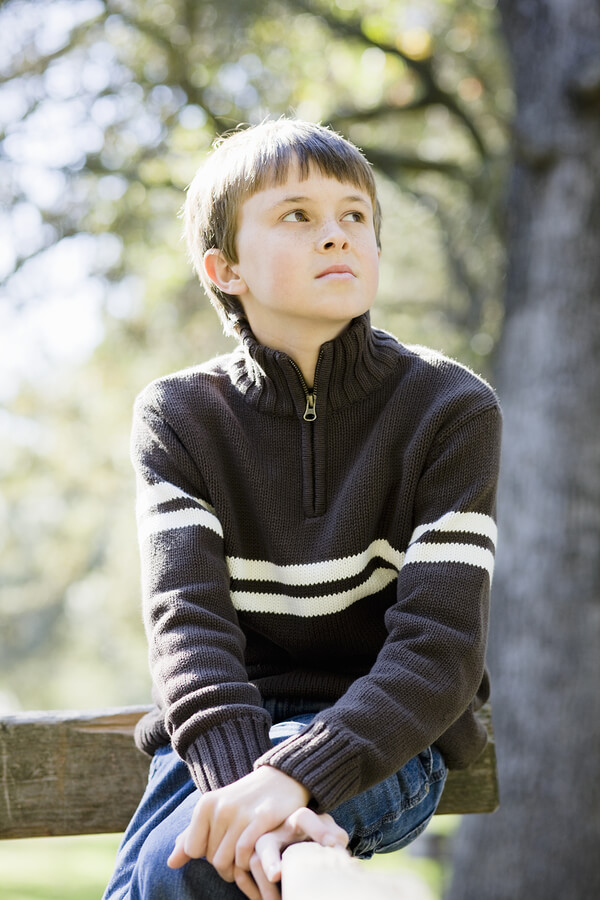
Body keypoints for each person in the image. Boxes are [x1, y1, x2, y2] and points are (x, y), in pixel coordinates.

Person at [103, 118, 502, 900]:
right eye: (298, 216)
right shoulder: (179, 417)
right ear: (225, 269)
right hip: (219, 740)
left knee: (184, 878)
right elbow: (190, 634)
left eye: (355, 216)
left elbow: (440, 649)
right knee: (175, 872)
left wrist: (296, 776)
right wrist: (246, 794)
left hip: (383, 735)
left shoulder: (450, 408)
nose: (337, 236)